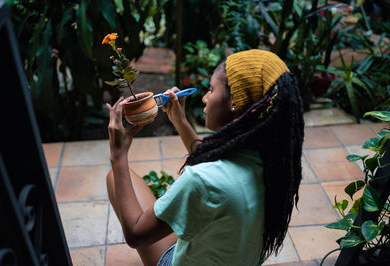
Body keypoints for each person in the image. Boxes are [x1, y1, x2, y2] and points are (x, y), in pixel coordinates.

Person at [106, 49, 304, 266]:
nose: (205, 98)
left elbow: (136, 233)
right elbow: (217, 162)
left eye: (212, 90)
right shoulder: (274, 162)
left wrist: (118, 155)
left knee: (114, 178)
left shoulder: (202, 180)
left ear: (234, 103)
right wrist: (181, 123)